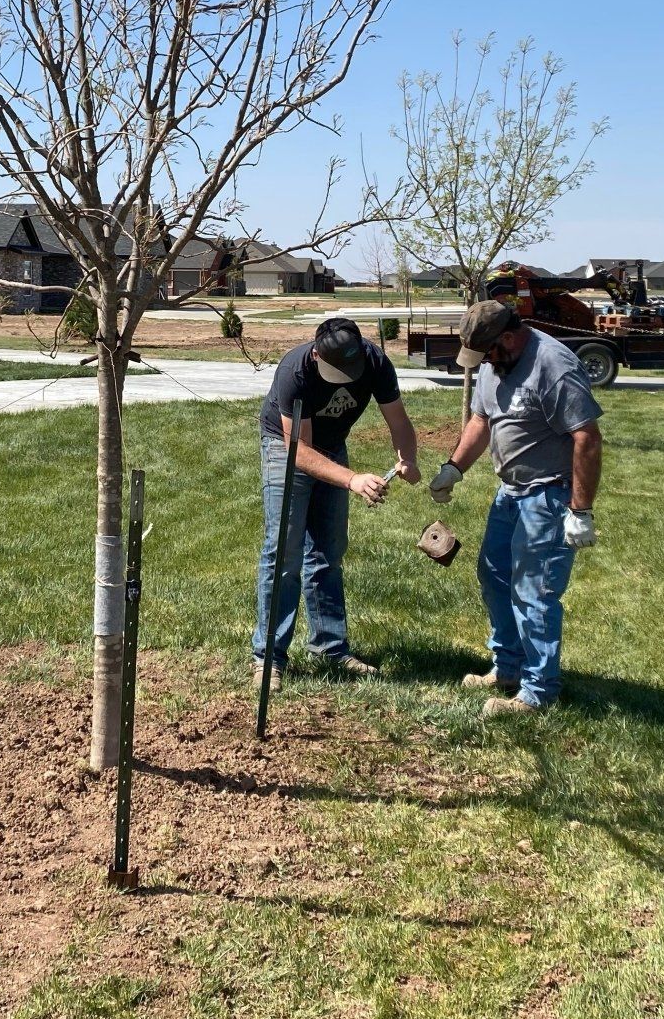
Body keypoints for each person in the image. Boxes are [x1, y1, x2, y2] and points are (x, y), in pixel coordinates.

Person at [428, 301, 603, 715]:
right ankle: (508, 667)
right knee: (494, 577)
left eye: (488, 353)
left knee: (534, 591)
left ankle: (539, 691)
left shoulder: (553, 366)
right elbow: (481, 420)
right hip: (510, 493)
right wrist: (454, 467)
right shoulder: (495, 363)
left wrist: (580, 511)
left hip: (549, 495)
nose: (485, 362)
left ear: (508, 338)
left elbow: (587, 437)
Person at [252, 315, 421, 688]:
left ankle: (331, 648)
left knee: (328, 551)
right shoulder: (295, 372)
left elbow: (398, 421)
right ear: (316, 355)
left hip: (331, 445)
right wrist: (352, 480)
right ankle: (269, 658)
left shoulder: (374, 361)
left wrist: (407, 458)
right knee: (284, 552)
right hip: (287, 447)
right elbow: (300, 452)